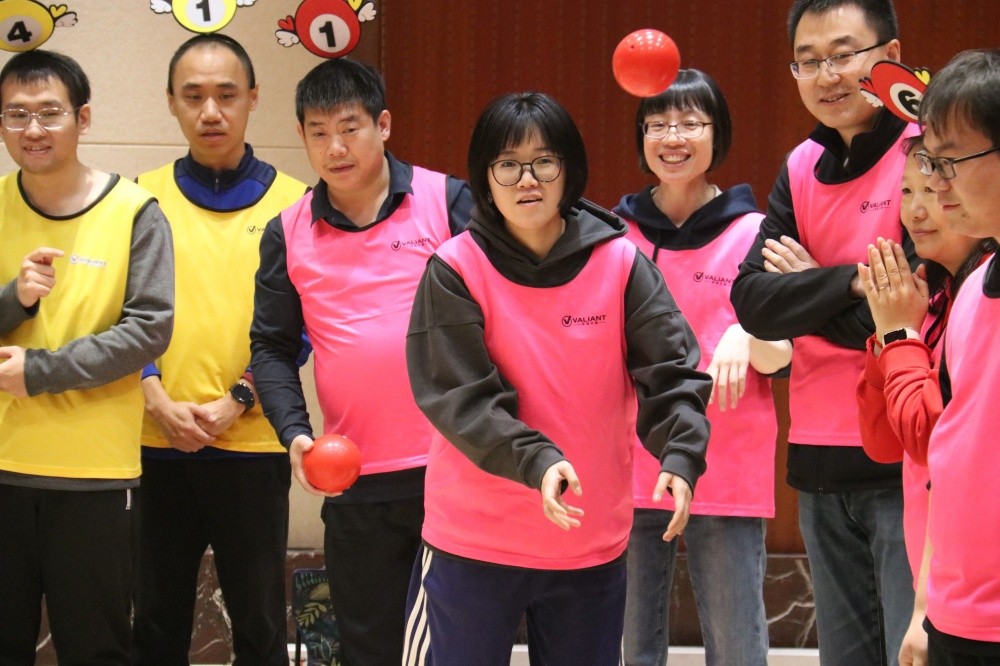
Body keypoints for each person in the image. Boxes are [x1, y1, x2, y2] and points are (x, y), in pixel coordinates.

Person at [402, 90, 712, 665]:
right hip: (472, 543)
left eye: (544, 161)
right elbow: (462, 398)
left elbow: (671, 372)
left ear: (569, 170)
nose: (527, 180)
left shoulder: (621, 262)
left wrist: (681, 450)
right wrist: (539, 461)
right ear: (485, 176)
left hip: (587, 544)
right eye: (508, 164)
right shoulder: (455, 268)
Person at [249, 57, 472, 666]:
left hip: (454, 469)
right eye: (318, 132)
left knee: (458, 646)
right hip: (353, 480)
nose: (335, 148)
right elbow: (271, 347)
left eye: (349, 128)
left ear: (384, 124)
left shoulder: (446, 201)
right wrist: (294, 432)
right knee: (368, 647)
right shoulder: (287, 230)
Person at [729, 1, 918, 663]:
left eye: (843, 54)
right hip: (817, 458)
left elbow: (905, 311)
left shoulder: (924, 151)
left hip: (908, 454)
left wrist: (809, 284)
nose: (826, 75)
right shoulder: (801, 165)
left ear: (889, 55)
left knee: (913, 651)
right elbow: (753, 301)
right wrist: (852, 283)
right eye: (808, 61)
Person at [131, 34, 307, 665]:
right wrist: (155, 398)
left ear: (253, 98)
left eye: (227, 95)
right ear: (171, 102)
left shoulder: (297, 204)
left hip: (253, 445)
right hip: (156, 440)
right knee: (156, 622)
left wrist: (240, 398)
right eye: (194, 96)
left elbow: (302, 328)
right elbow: (119, 314)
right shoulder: (139, 197)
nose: (211, 111)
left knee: (260, 624)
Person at [612, 69, 791, 666]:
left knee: (737, 647)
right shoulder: (616, 235)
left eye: (690, 122)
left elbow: (784, 354)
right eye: (658, 124)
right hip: (632, 458)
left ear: (719, 134)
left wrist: (748, 331)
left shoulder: (755, 232)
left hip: (726, 461)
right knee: (630, 644)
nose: (673, 137)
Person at [0, 50, 173, 664]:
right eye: (16, 115)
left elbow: (150, 330)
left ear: (84, 117)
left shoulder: (134, 211)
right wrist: (14, 301)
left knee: (96, 650)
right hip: (2, 470)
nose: (34, 129)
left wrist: (39, 371)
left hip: (94, 477)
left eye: (50, 112)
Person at [855, 135, 996, 665]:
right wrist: (891, 331)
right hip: (940, 577)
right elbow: (881, 442)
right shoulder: (929, 299)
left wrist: (898, 335)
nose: (916, 210)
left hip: (967, 590)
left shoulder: (980, 294)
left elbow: (930, 440)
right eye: (907, 191)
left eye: (932, 190)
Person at [902, 48, 1000, 665]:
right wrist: (924, 605)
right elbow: (948, 457)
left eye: (950, 161)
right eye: (929, 164)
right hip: (955, 616)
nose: (937, 184)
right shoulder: (972, 292)